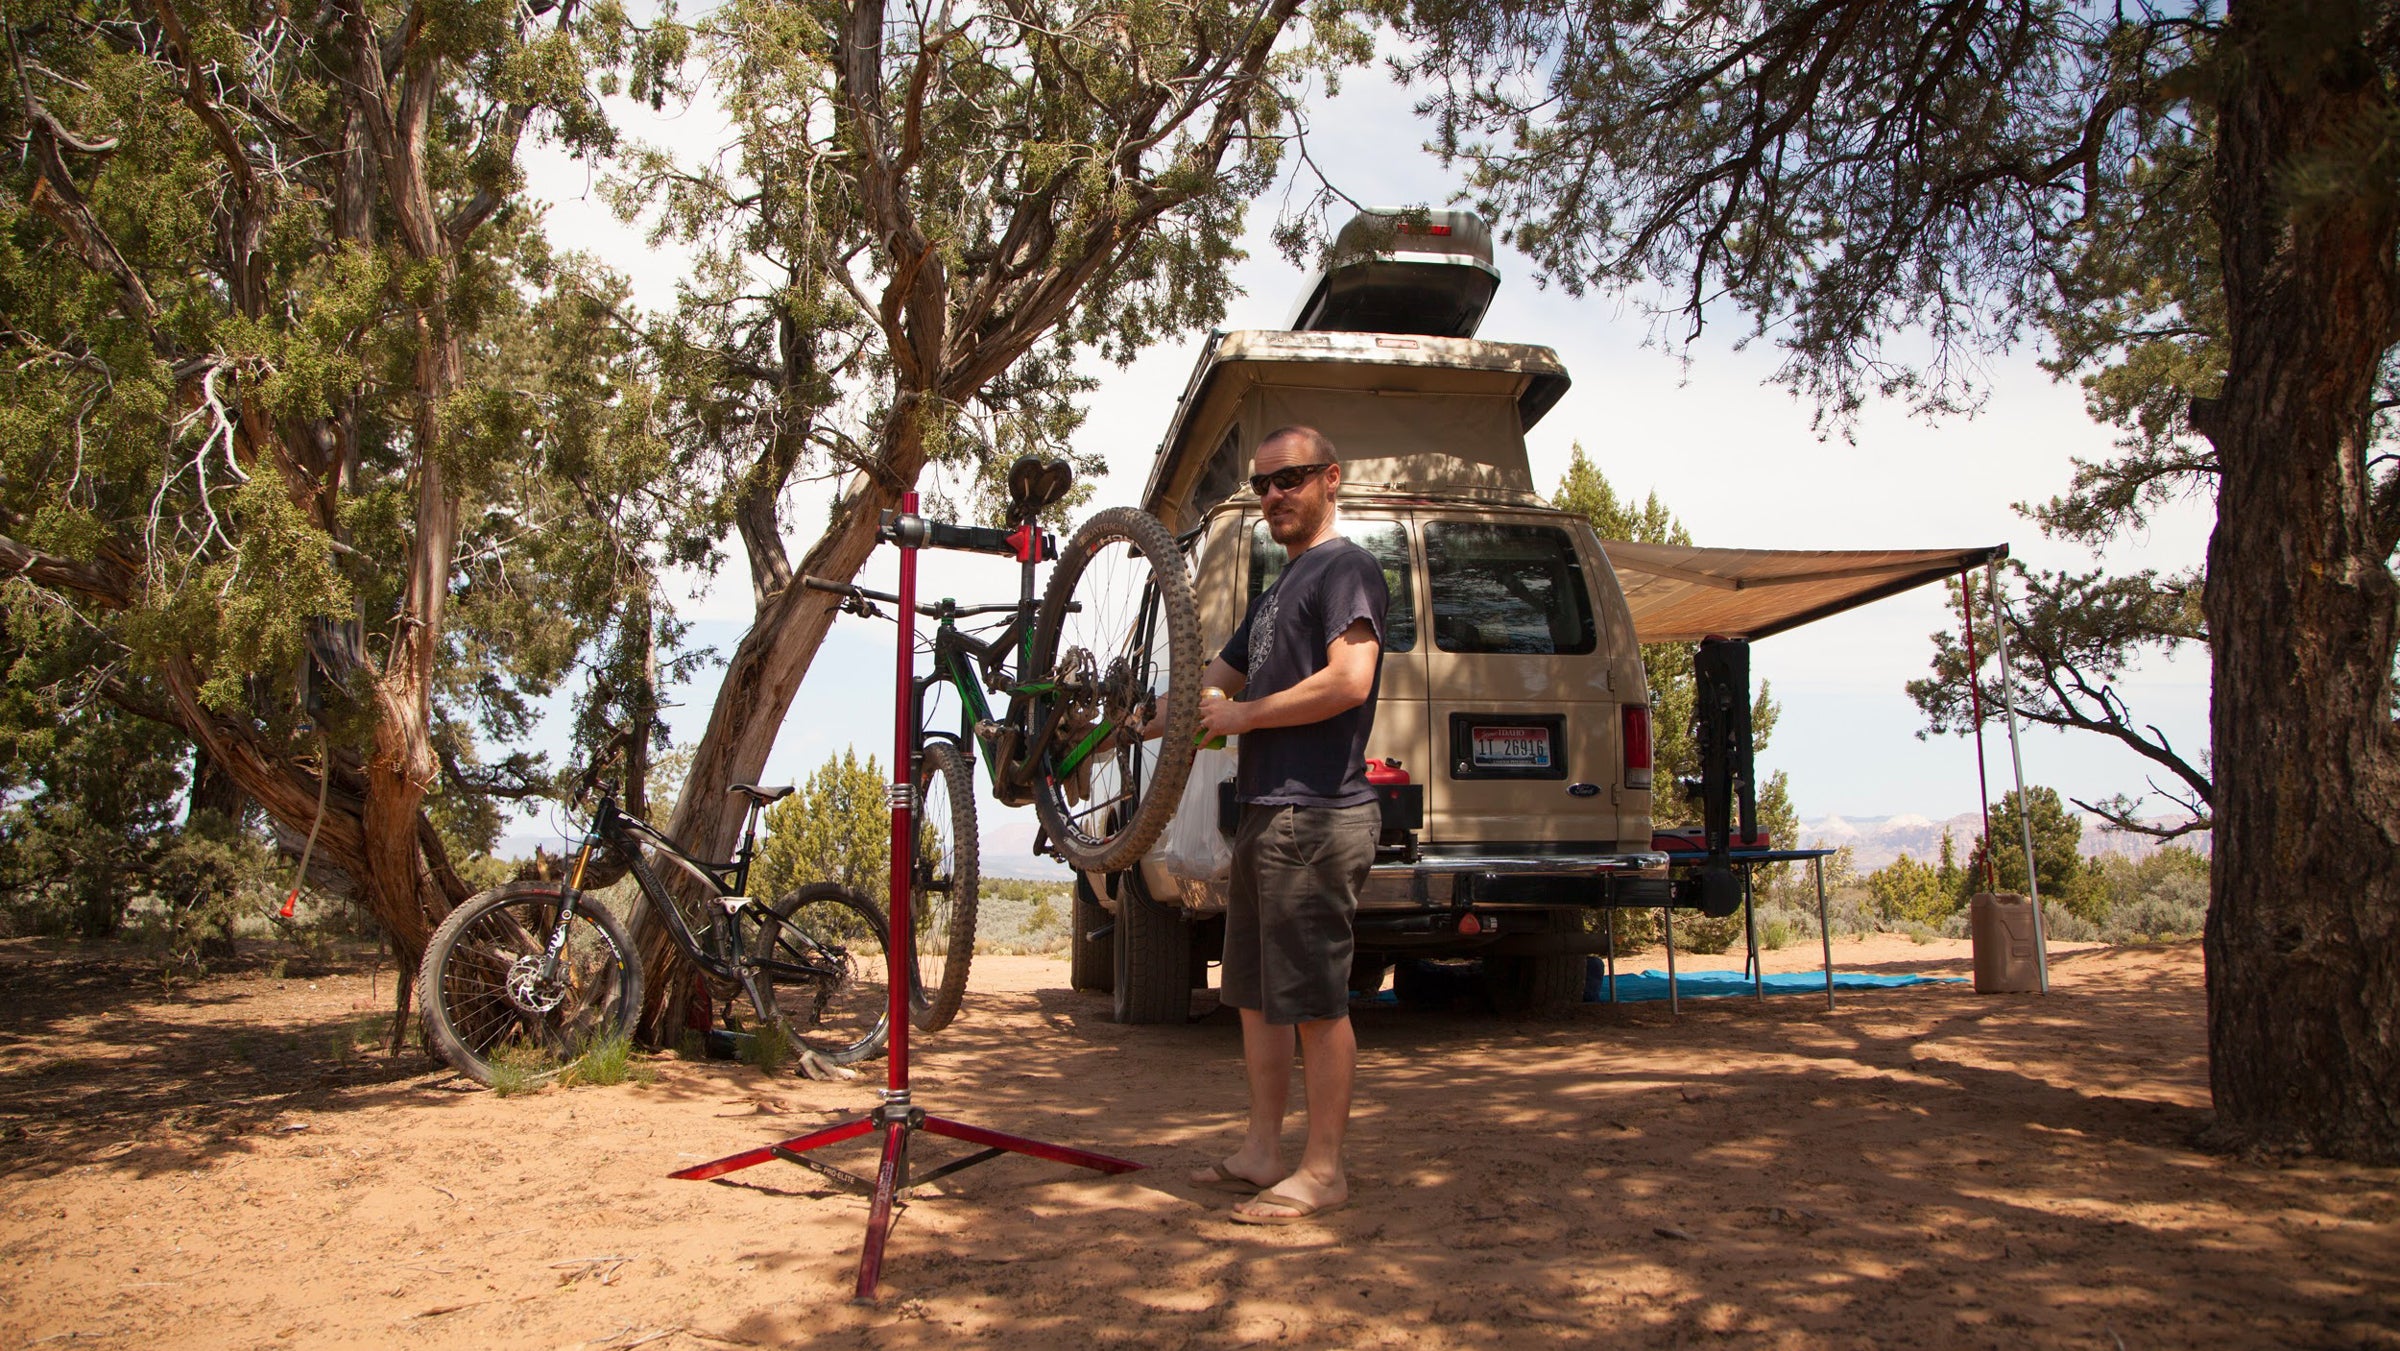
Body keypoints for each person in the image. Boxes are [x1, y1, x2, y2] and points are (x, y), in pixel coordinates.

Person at [1185, 424, 1387, 1224]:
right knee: (1258, 996)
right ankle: (1264, 1151)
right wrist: (1154, 718)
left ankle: (1325, 1169)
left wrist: (1244, 716)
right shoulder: (1276, 591)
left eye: (1290, 478)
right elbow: (1212, 689)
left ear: (1330, 479)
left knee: (1313, 1000)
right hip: (1265, 814)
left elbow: (1349, 679)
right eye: (1263, 483)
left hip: (1317, 814)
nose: (1273, 495)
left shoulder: (1347, 568)